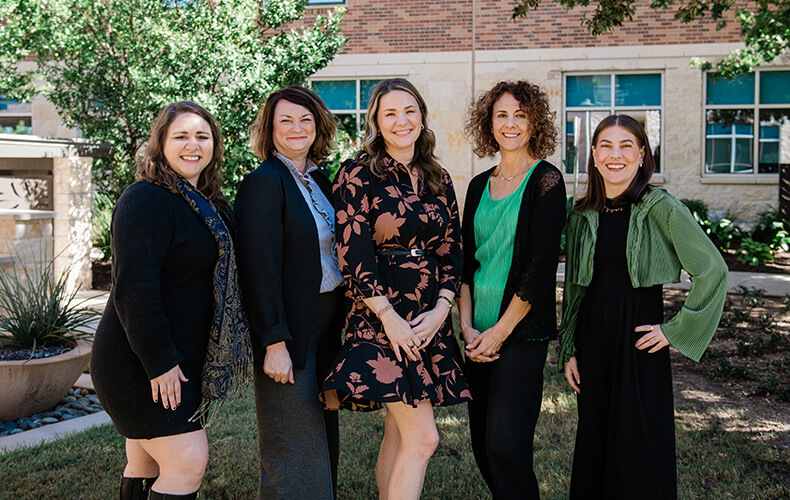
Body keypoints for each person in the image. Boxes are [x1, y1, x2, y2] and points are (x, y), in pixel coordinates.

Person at [559, 114, 728, 499]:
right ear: (594, 155)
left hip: (639, 335)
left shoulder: (661, 207)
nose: (614, 155)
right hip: (592, 334)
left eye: (625, 146)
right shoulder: (583, 214)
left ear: (641, 156)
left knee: (638, 438)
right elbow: (574, 286)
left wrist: (674, 330)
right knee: (595, 437)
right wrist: (569, 346)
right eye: (606, 145)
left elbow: (712, 269)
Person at [91, 101, 251, 500]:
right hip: (141, 363)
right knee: (188, 461)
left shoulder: (207, 204)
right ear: (161, 142)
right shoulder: (145, 199)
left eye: (202, 136)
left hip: (175, 361)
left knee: (145, 463)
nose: (192, 145)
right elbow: (134, 289)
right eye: (180, 136)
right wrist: (159, 362)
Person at [320, 78, 471, 500]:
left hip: (428, 318)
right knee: (424, 439)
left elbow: (452, 249)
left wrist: (443, 309)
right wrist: (389, 319)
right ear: (376, 122)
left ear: (422, 115)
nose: (401, 121)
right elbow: (353, 253)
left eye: (409, 111)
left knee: (401, 433)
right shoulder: (356, 173)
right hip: (380, 316)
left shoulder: (438, 176)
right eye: (390, 113)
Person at [458, 80, 566, 499]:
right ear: (489, 122)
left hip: (519, 335)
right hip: (476, 334)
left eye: (520, 115)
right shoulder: (477, 185)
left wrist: (498, 333)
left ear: (534, 122)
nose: (511, 123)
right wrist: (467, 328)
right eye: (502, 114)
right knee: (483, 447)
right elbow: (466, 263)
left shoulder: (546, 181)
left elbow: (540, 269)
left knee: (507, 445)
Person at [234, 86, 344, 500]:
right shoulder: (263, 183)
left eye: (305, 120)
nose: (297, 128)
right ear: (270, 128)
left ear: (318, 126)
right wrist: (273, 340)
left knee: (320, 437)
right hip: (290, 329)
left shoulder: (319, 179)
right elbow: (258, 270)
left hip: (326, 325)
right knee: (292, 445)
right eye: (286, 120)